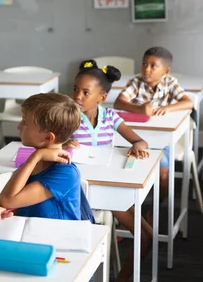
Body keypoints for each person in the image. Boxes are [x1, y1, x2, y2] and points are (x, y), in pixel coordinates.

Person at [69, 60, 150, 282]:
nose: (78, 96)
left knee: (146, 236)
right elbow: (47, 144)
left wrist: (136, 147)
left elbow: (141, 141)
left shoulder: (111, 118)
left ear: (101, 98)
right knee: (144, 234)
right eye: (76, 89)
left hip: (107, 186)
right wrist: (63, 145)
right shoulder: (67, 116)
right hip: (79, 191)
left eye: (86, 92)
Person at [0, 93, 82, 223]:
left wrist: (36, 156)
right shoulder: (34, 165)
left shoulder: (65, 173)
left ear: (48, 138)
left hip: (59, 240)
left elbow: (6, 199)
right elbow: (27, 205)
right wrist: (7, 211)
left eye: (25, 122)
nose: (19, 126)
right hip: (34, 234)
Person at [114, 46, 193, 202]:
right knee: (124, 169)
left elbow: (187, 102)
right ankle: (125, 205)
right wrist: (139, 109)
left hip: (162, 140)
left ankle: (155, 209)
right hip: (136, 138)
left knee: (164, 174)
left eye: (153, 65)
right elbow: (119, 102)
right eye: (144, 64)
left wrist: (167, 108)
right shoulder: (136, 82)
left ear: (165, 71)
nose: (146, 69)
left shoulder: (170, 83)